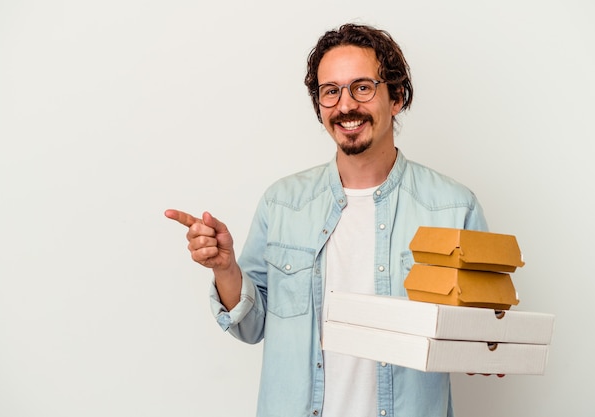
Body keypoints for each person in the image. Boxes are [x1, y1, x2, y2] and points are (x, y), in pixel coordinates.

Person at [165, 23, 489, 417]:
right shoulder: (282, 204)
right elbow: (249, 327)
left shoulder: (454, 208)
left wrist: (486, 347)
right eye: (330, 91)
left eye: (363, 87)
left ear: (397, 97)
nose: (346, 105)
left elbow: (479, 332)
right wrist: (226, 268)